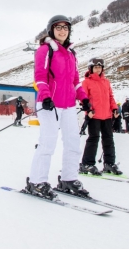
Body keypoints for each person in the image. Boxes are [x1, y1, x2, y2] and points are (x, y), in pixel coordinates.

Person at [25, 15, 89, 199]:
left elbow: (75, 81)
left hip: (68, 105)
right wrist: (45, 96)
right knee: (48, 142)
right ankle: (37, 181)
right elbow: (40, 76)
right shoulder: (45, 50)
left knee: (73, 142)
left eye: (65, 28)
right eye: (58, 27)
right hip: (50, 104)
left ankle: (69, 178)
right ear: (51, 30)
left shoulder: (71, 53)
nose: (62, 30)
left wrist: (83, 98)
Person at [79, 57, 122, 176]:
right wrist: (88, 110)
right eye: (95, 67)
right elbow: (84, 98)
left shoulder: (106, 82)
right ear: (91, 69)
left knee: (109, 139)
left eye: (100, 67)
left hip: (107, 115)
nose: (98, 69)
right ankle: (87, 164)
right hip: (94, 115)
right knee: (94, 139)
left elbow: (110, 97)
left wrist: (114, 108)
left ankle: (109, 163)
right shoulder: (87, 82)